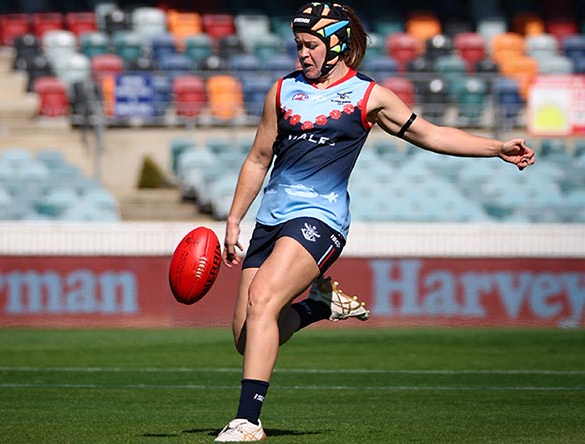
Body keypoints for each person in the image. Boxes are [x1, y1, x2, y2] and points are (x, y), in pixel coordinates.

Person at [214, 2, 536, 441]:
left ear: (338, 46)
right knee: (246, 336)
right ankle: (319, 306)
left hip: (321, 218)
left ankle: (247, 421)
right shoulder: (282, 90)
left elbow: (433, 135)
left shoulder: (369, 96)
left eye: (310, 46)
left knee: (264, 299)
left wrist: (496, 146)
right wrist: (234, 219)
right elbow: (257, 158)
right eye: (298, 46)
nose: (301, 54)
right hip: (270, 218)